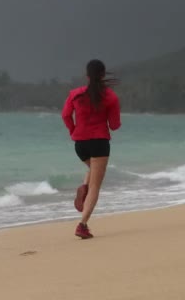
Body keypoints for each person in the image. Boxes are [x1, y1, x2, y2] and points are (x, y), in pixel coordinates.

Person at [61, 59, 121, 239]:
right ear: (103, 75)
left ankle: (84, 186)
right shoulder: (110, 97)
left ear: (87, 76)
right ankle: (83, 225)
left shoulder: (75, 94)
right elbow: (115, 125)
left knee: (91, 170)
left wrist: (73, 130)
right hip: (99, 142)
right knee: (96, 186)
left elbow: (65, 115)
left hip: (80, 144)